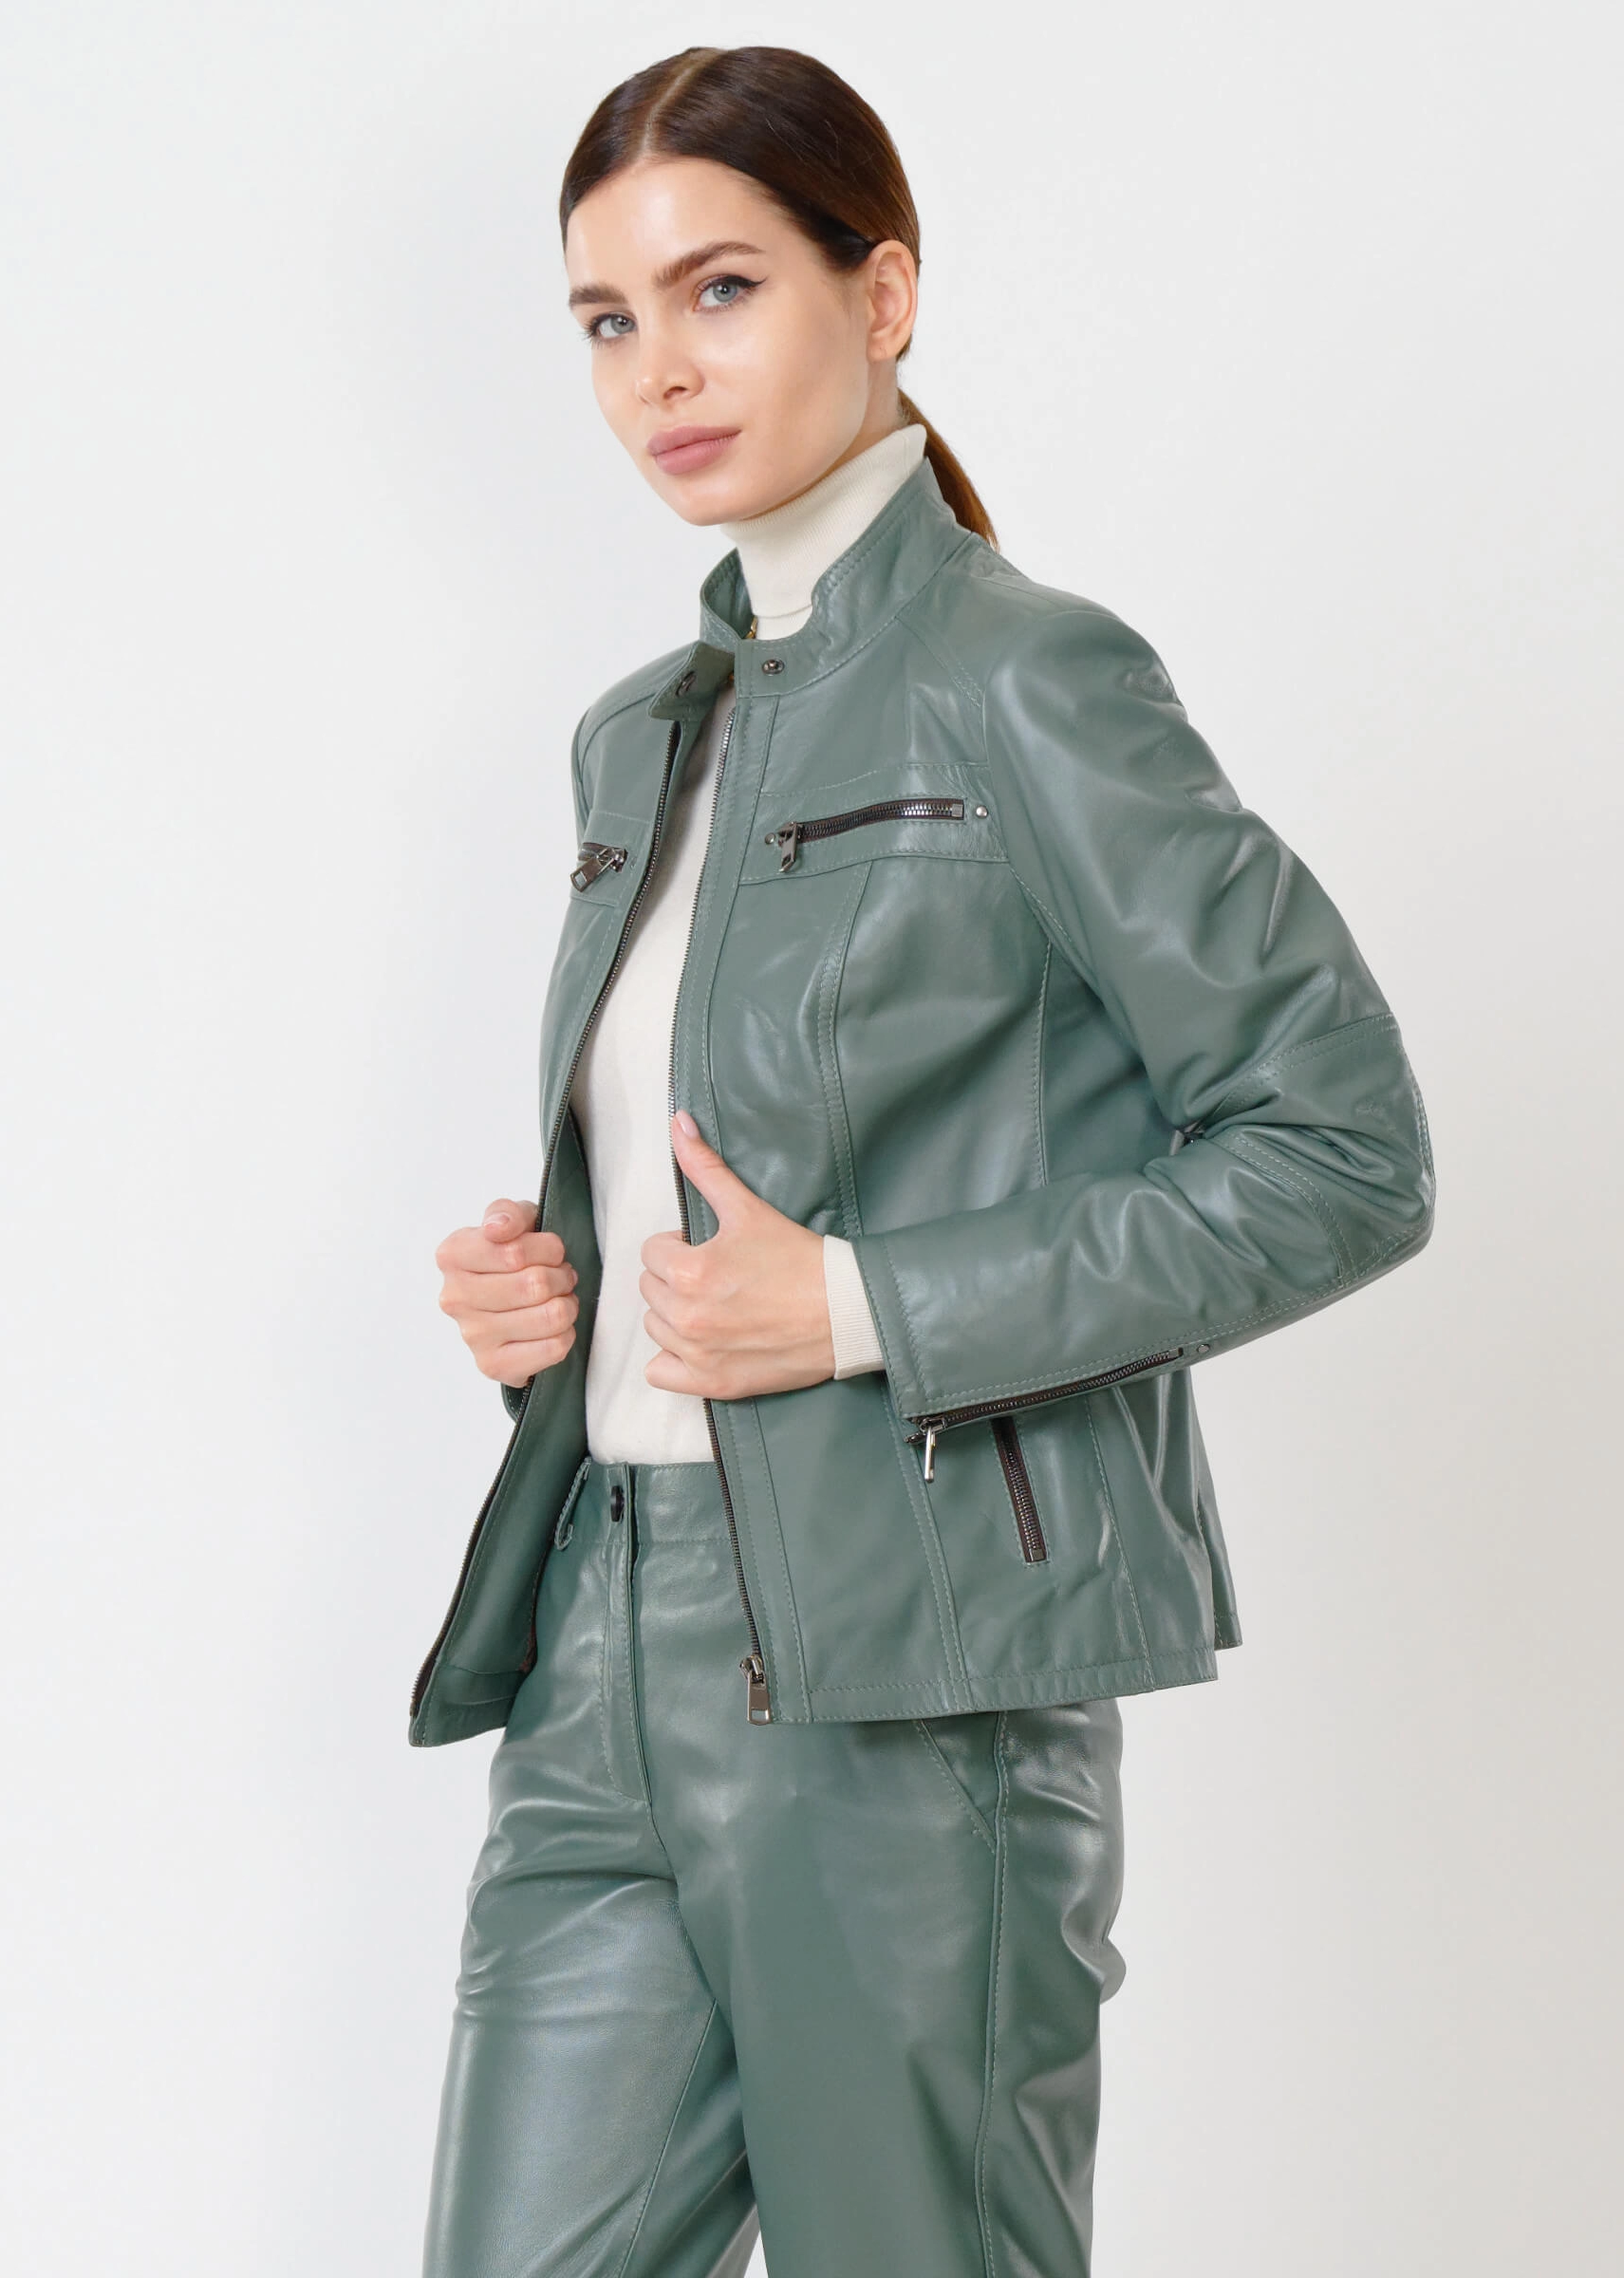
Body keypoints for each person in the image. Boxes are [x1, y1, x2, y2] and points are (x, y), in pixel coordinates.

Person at [419, 43, 1435, 2278]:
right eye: (607, 318)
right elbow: (716, 1175)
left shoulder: (1030, 680)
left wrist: (864, 1303)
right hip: (600, 1645)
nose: (658, 371)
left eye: (722, 290)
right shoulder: (642, 737)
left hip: (908, 1686)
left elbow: (1346, 1149)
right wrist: (553, 1311)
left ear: (881, 296)